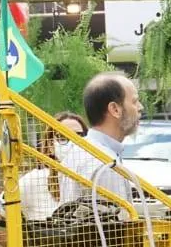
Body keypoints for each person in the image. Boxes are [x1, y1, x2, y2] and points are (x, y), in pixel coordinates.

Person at [0, 112, 88, 221]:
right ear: (50, 145)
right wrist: (15, 238)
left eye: (79, 136)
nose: (73, 142)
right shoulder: (34, 180)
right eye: (62, 136)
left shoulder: (95, 176)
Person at [59, 71, 144, 204]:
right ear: (115, 109)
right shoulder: (106, 166)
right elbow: (118, 223)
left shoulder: (76, 153)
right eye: (134, 101)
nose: (140, 107)